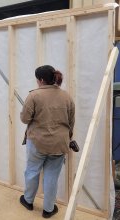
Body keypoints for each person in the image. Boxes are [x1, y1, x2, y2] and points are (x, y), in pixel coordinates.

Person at [19, 65, 75, 218]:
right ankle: (48, 209)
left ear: (41, 80)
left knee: (32, 171)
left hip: (37, 142)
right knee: (52, 176)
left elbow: (24, 119)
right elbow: (71, 122)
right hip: (59, 143)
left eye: (37, 79)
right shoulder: (66, 96)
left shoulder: (33, 96)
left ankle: (28, 201)